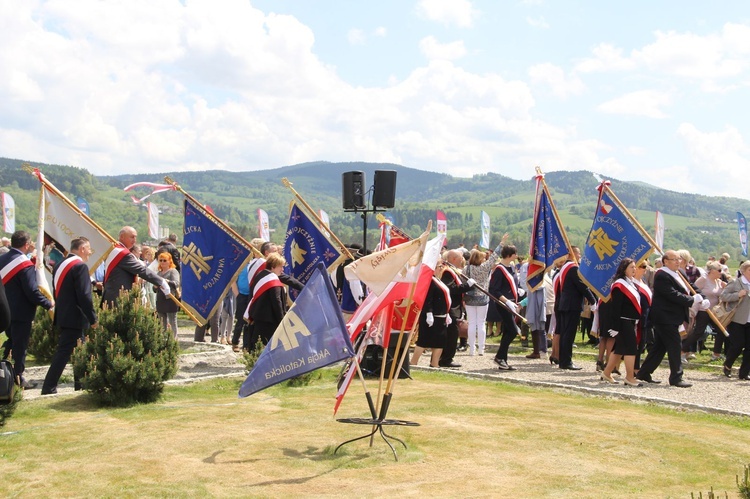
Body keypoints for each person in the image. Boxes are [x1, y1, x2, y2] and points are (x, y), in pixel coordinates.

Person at [636, 250, 708, 387]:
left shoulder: (678, 273)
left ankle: (644, 372)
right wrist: (691, 300)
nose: (678, 261)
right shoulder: (662, 275)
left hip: (673, 316)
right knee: (675, 345)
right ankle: (676, 377)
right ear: (665, 261)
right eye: (674, 259)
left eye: (679, 259)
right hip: (664, 316)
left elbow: (691, 287)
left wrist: (703, 298)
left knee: (660, 347)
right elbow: (671, 294)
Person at [41, 237, 98, 395]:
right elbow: (84, 295)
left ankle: (81, 385)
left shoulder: (60, 264)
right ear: (81, 249)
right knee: (65, 352)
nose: (89, 252)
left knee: (79, 351)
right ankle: (49, 387)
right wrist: (92, 318)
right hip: (76, 316)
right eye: (89, 249)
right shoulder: (80, 266)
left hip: (65, 314)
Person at [0, 230, 54, 388]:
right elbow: (31, 291)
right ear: (26, 244)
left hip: (4, 311)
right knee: (20, 346)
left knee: (10, 342)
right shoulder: (24, 263)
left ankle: (6, 373)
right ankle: (17, 378)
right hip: (21, 312)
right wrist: (48, 303)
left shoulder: (2, 259)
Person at [102, 226, 170, 308]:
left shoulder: (117, 250)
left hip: (115, 297)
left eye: (135, 237)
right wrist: (160, 281)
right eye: (132, 237)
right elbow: (141, 270)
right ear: (122, 237)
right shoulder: (122, 254)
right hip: (118, 300)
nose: (134, 240)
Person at [463, 234, 507, 356]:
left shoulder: (466, 269)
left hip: (469, 298)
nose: (484, 260)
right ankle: (481, 349)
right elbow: (494, 257)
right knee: (481, 323)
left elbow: (463, 282)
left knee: (471, 323)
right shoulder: (484, 268)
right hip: (482, 297)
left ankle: (472, 349)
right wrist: (501, 243)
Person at [600, 259, 642, 386]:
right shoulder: (619, 285)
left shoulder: (631, 283)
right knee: (630, 349)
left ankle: (607, 373)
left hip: (629, 321)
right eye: (631, 267)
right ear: (624, 269)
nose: (634, 269)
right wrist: (616, 326)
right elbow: (616, 307)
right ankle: (629, 377)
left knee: (619, 349)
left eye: (635, 267)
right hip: (622, 321)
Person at [554, 246, 596, 370]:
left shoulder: (564, 268)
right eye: (578, 254)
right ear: (572, 254)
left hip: (565, 304)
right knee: (569, 334)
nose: (579, 256)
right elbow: (582, 286)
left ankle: (563, 360)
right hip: (571, 305)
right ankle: (566, 361)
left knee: (566, 333)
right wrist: (593, 301)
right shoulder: (572, 268)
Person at [681, 261, 726, 362]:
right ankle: (682, 350)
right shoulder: (704, 279)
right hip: (703, 310)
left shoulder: (718, 281)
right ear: (712, 271)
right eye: (719, 270)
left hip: (714, 311)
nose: (721, 272)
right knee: (699, 332)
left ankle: (716, 353)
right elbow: (693, 291)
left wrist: (725, 288)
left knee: (721, 330)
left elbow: (720, 295)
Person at [488, 245, 523, 371]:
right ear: (510, 255)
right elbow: (494, 289)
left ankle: (503, 359)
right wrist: (506, 300)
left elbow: (511, 283)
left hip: (512, 303)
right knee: (513, 331)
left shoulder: (511, 267)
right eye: (515, 253)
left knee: (508, 331)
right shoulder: (499, 269)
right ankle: (499, 356)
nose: (517, 255)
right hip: (504, 304)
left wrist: (517, 291)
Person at [437, 249, 474, 368]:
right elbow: (451, 289)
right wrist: (466, 286)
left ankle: (444, 358)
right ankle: (446, 359)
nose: (462, 260)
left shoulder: (452, 270)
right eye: (460, 258)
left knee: (452, 334)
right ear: (453, 259)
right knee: (452, 334)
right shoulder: (448, 272)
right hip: (451, 307)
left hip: (455, 307)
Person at [411, 269, 452, 368]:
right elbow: (427, 298)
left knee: (440, 341)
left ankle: (435, 363)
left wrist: (447, 312)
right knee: (424, 340)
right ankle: (413, 362)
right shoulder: (430, 281)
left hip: (441, 314)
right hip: (431, 315)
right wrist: (429, 312)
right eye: (439, 266)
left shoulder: (438, 280)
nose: (441, 268)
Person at [245, 252, 288, 345]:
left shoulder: (260, 275)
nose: (282, 269)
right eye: (280, 266)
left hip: (258, 316)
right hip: (269, 320)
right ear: (273, 267)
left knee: (256, 344)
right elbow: (277, 302)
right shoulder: (273, 280)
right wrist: (282, 320)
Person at [720, 261, 750, 380]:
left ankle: (744, 372)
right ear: (743, 271)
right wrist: (738, 295)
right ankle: (728, 365)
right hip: (737, 319)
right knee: (738, 345)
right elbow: (723, 296)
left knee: (749, 348)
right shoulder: (735, 282)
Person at [155, 251, 180, 338]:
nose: (162, 262)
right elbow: (155, 289)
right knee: (162, 322)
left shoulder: (173, 271)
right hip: (160, 299)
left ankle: (174, 339)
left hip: (170, 299)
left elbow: (176, 283)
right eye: (160, 260)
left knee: (172, 320)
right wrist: (155, 286)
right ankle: (163, 339)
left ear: (169, 261)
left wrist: (166, 281)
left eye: (164, 260)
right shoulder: (158, 273)